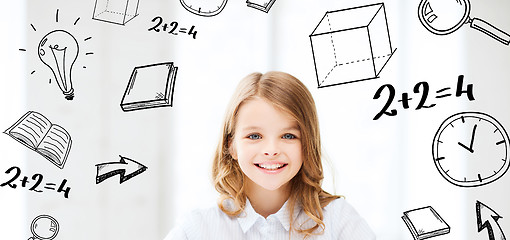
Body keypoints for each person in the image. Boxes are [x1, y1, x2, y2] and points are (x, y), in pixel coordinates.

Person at [165, 71, 375, 239]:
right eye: (255, 136)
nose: (272, 149)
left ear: (308, 144)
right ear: (231, 146)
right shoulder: (198, 228)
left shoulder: (337, 220)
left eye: (289, 136)